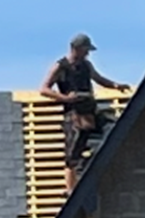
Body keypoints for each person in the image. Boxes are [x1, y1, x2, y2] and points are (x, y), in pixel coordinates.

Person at [41, 33, 131, 193]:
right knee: (73, 152)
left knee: (112, 128)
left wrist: (116, 86)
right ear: (75, 48)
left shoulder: (86, 66)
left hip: (90, 110)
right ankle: (71, 190)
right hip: (74, 114)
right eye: (85, 50)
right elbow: (44, 89)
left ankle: (90, 164)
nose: (87, 53)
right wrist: (65, 98)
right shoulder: (61, 66)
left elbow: (99, 79)